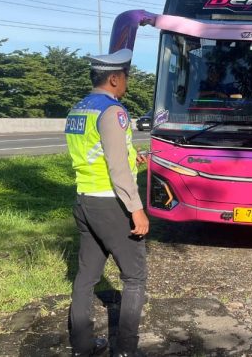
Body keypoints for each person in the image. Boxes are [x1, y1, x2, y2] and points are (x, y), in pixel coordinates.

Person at [65, 48, 150, 357]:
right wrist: (136, 209)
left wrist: (133, 159)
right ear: (114, 78)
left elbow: (98, 155)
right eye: (125, 77)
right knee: (134, 277)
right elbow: (115, 167)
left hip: (85, 199)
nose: (127, 83)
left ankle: (83, 346)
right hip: (111, 204)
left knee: (86, 276)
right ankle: (125, 350)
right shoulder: (113, 111)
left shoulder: (78, 109)